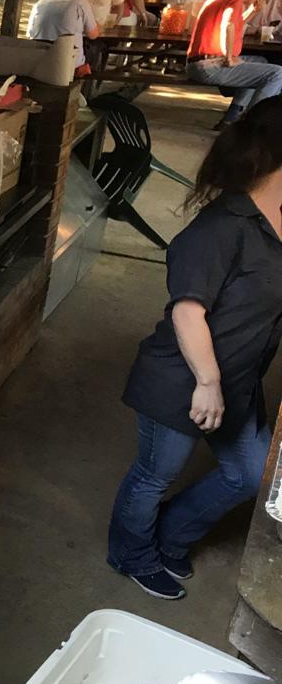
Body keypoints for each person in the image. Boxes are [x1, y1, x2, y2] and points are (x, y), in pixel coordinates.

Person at [108, 96, 282, 600]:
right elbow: (188, 311)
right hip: (183, 382)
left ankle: (170, 536)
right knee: (154, 477)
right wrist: (207, 383)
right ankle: (131, 554)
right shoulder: (222, 227)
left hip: (241, 382)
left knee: (249, 474)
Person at [185, 0, 282, 127]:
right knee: (278, 74)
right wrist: (229, 57)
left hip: (199, 62)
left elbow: (235, 25)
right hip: (209, 65)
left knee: (261, 62)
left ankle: (233, 115)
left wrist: (252, 11)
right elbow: (229, 25)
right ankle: (252, 125)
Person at [28, 0, 102, 74]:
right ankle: (88, 88)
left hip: (39, 62)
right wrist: (100, 26)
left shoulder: (39, 3)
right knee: (96, 48)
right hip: (68, 65)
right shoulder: (79, 2)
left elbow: (30, 34)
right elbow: (93, 34)